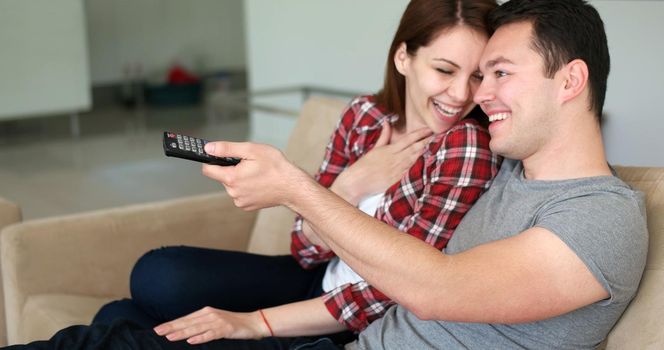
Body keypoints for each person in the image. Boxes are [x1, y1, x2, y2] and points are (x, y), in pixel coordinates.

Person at [3, 0, 647, 349]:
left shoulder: (600, 215)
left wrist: (297, 190)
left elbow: (437, 288)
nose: (477, 95)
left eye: (497, 73)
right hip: (343, 335)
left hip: (347, 331)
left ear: (571, 79)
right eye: (472, 74)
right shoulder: (506, 165)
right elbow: (327, 253)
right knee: (126, 327)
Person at [88, 0, 499, 347]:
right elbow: (305, 248)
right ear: (403, 57)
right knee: (155, 276)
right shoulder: (366, 117)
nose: (462, 94)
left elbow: (396, 289)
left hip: (349, 318)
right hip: (317, 277)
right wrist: (353, 182)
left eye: (478, 75)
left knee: (119, 315)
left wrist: (255, 323)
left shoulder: (464, 148)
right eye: (444, 70)